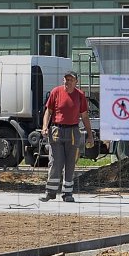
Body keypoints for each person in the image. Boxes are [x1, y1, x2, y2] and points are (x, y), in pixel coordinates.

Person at [40, 70, 89, 203]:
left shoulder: (80, 95)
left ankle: (68, 193)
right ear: (63, 80)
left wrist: (90, 135)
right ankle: (50, 192)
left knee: (70, 164)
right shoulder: (56, 92)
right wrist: (45, 126)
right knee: (55, 162)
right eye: (66, 79)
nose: (68, 82)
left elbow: (84, 116)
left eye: (71, 80)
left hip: (73, 132)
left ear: (76, 82)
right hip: (57, 131)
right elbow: (48, 112)